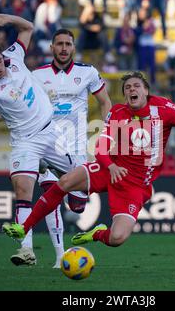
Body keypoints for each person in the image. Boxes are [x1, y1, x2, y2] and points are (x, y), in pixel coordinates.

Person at [3, 71, 175, 248]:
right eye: (127, 88)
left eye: (136, 86)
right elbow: (101, 147)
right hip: (110, 169)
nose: (131, 90)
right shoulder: (118, 113)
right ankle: (24, 227)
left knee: (117, 238)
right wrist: (110, 166)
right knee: (64, 182)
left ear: (146, 91)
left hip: (135, 185)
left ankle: (96, 234)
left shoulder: (163, 109)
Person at [0, 14, 82, 268]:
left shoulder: (15, 56)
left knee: (78, 194)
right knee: (23, 191)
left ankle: (71, 190)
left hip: (50, 132)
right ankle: (26, 249)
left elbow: (28, 27)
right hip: (25, 142)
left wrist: (5, 19)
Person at [31, 28, 112, 267]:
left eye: (68, 44)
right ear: (52, 48)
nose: (64, 48)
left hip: (75, 148)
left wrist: (108, 130)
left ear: (73, 47)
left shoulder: (88, 73)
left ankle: (75, 199)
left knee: (76, 207)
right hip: (46, 145)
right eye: (60, 44)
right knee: (51, 196)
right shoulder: (36, 75)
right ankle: (59, 256)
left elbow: (105, 101)